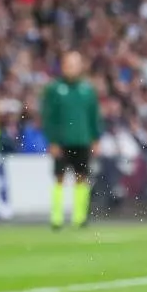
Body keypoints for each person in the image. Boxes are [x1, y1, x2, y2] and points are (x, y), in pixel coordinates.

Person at [41, 51, 102, 229]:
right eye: (68, 64)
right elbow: (49, 116)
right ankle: (56, 217)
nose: (71, 68)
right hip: (62, 140)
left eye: (74, 64)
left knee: (81, 177)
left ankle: (79, 217)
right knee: (59, 178)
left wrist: (95, 138)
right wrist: (52, 140)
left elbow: (94, 116)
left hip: (82, 140)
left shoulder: (87, 90)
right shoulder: (54, 89)